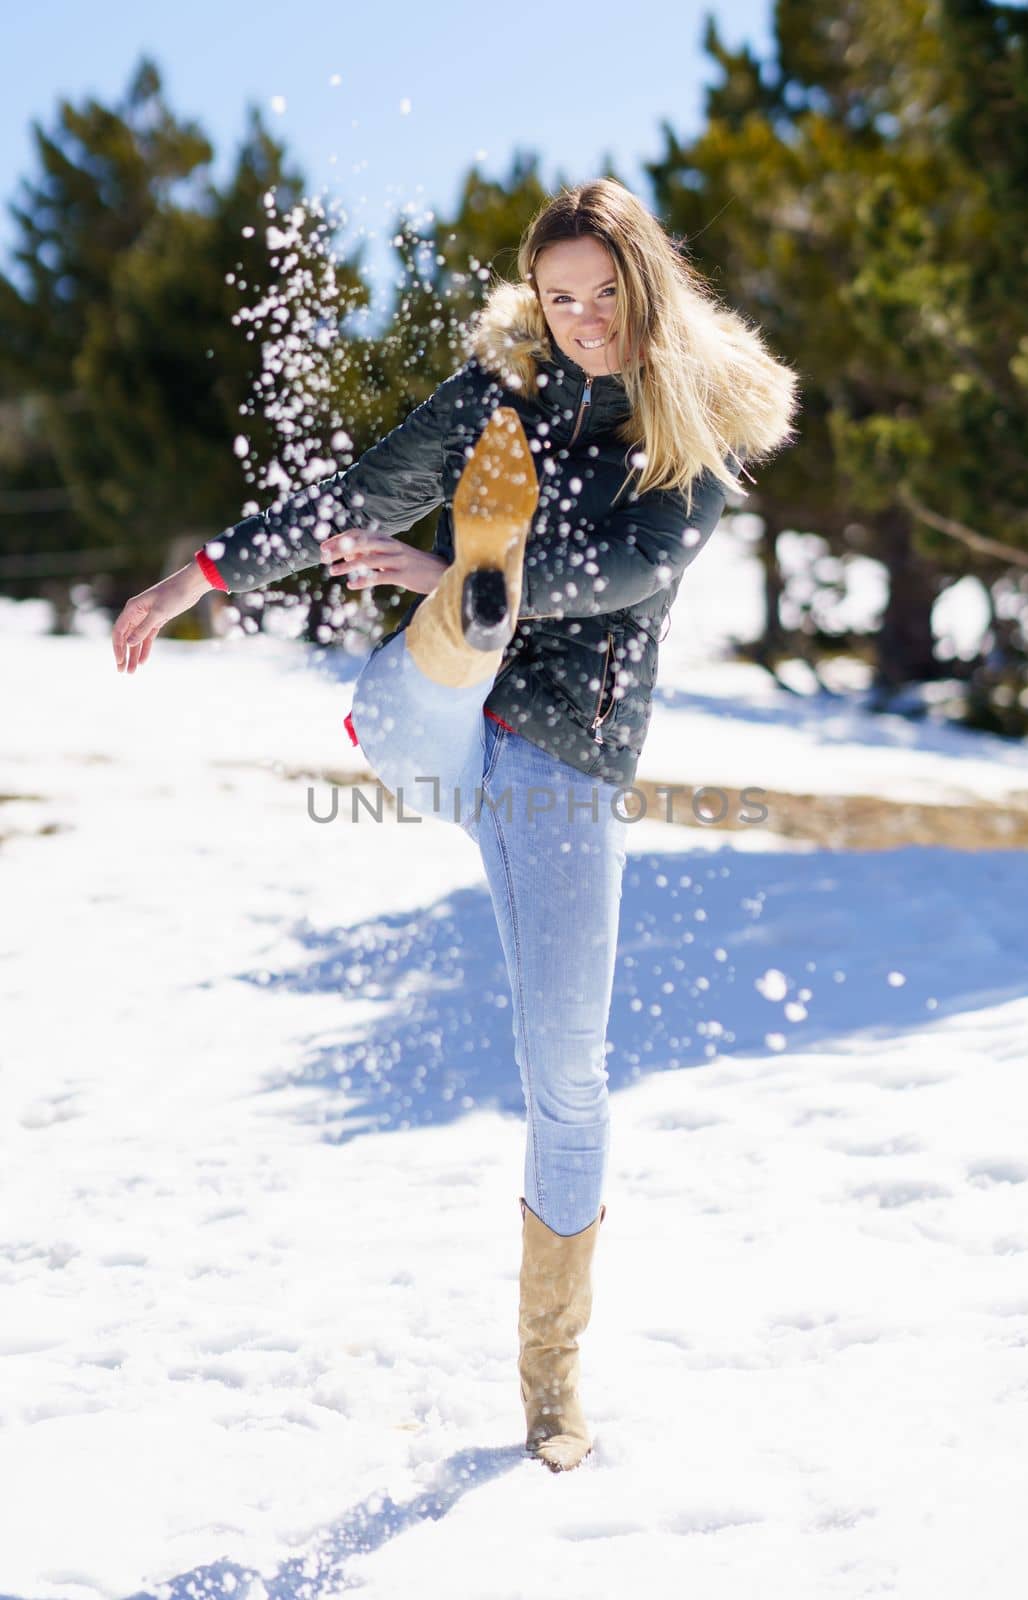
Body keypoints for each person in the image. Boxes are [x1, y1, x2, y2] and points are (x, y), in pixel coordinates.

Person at [112, 178, 799, 1473]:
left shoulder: (699, 423)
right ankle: (442, 643)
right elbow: (357, 497)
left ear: (647, 285)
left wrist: (467, 569)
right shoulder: (503, 392)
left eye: (606, 296)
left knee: (568, 1070)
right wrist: (195, 576)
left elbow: (634, 571)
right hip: (452, 727)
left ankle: (551, 1380)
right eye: (561, 298)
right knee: (424, 675)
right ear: (533, 299)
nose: (585, 321)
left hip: (561, 762)